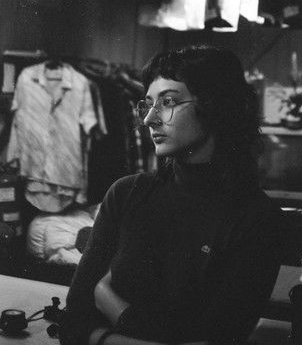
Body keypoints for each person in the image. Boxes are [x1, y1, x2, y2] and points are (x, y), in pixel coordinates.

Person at [59, 44, 283, 345]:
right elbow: (72, 324)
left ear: (215, 105)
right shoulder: (126, 193)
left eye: (168, 102)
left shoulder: (257, 218)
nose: (149, 119)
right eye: (148, 104)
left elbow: (218, 339)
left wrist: (109, 300)